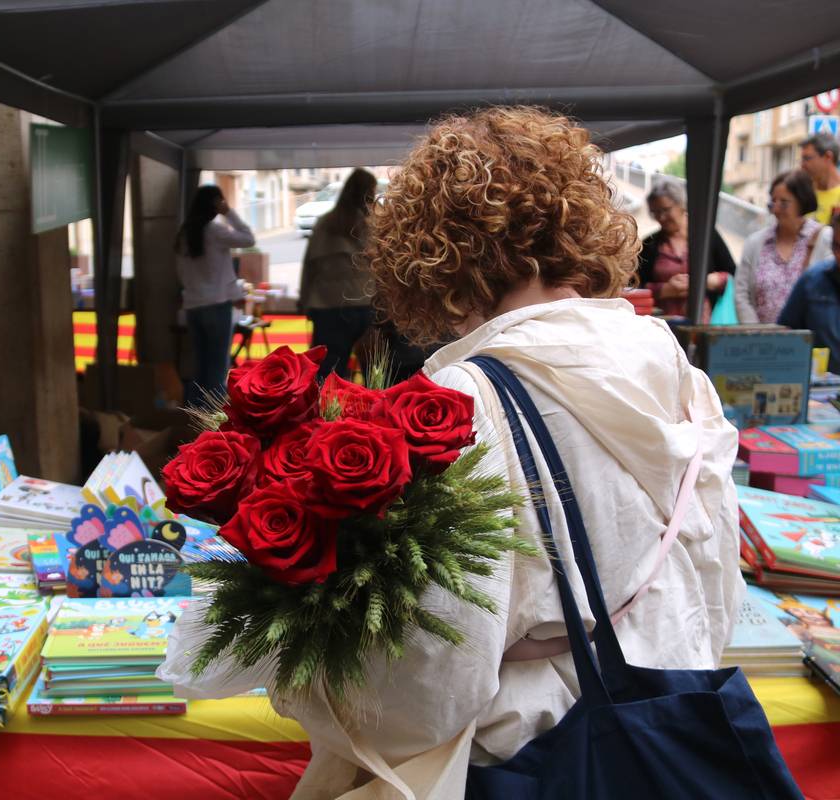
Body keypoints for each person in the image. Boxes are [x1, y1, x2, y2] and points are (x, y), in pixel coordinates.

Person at [161, 107, 744, 797]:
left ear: (435, 250)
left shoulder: (468, 400)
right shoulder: (670, 366)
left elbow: (433, 680)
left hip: (535, 754)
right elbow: (715, 587)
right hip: (666, 733)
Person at [174, 185, 255, 407]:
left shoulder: (184, 234)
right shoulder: (215, 231)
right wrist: (228, 212)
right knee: (218, 372)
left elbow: (181, 275)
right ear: (215, 204)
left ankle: (193, 422)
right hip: (217, 307)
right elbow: (249, 239)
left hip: (193, 308)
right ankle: (212, 428)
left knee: (200, 369)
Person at [299, 168, 378, 379]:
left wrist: (305, 301)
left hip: (327, 308)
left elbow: (310, 268)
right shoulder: (374, 224)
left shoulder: (325, 223)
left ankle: (327, 413)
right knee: (376, 376)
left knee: (328, 376)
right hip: (367, 307)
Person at [735, 170, 832, 324]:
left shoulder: (825, 238)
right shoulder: (755, 243)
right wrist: (756, 333)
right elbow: (741, 294)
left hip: (810, 342)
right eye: (773, 202)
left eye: (784, 203)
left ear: (802, 202)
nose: (776, 209)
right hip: (760, 342)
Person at [637, 180, 735, 319]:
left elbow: (732, 274)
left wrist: (704, 281)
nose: (661, 217)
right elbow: (634, 286)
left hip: (707, 323)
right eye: (655, 213)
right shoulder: (649, 245)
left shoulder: (707, 236)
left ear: (681, 205)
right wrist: (665, 290)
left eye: (665, 210)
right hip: (662, 324)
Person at [778, 215, 840, 371]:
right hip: (821, 389)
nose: (838, 255)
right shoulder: (813, 280)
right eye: (836, 246)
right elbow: (785, 333)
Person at [800, 133, 840, 224]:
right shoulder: (801, 193)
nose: (802, 165)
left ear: (828, 157)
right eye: (802, 159)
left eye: (807, 158)